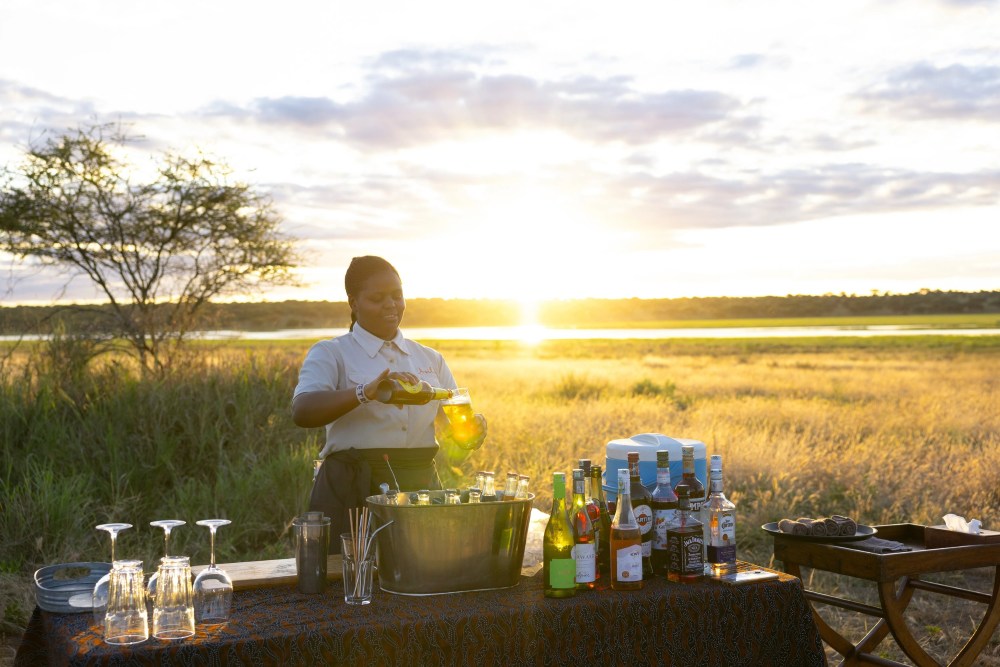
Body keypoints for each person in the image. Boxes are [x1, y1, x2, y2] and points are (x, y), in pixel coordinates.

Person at [291, 255, 487, 550]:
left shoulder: (430, 358)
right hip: (351, 487)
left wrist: (471, 433)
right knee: (348, 583)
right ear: (354, 303)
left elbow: (453, 429)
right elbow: (302, 411)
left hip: (419, 487)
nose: (391, 305)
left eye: (397, 296)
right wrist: (365, 392)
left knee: (422, 578)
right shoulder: (331, 352)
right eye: (377, 298)